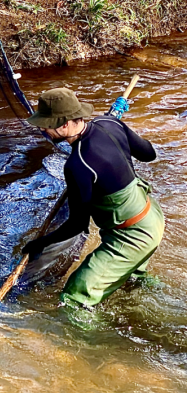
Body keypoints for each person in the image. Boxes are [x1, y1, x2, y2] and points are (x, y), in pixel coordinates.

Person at [23, 88, 165, 307]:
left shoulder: (78, 165)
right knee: (132, 280)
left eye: (46, 124)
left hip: (132, 237)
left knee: (73, 298)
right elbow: (148, 153)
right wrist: (120, 131)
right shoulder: (109, 124)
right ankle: (148, 295)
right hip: (152, 217)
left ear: (64, 125)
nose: (42, 129)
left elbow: (77, 225)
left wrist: (39, 243)